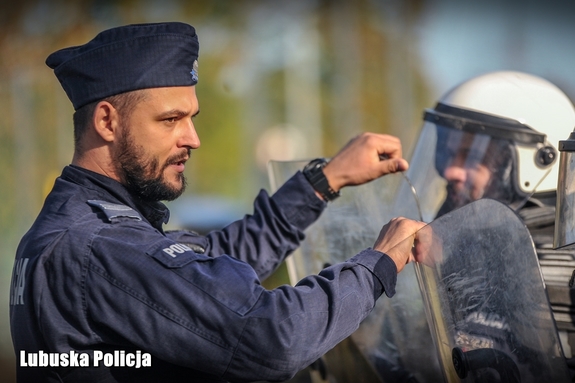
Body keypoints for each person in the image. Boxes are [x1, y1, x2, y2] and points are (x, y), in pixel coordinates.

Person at [9, 22, 425, 383]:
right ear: (106, 121)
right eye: (170, 120)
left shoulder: (78, 224)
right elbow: (270, 336)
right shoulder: (102, 245)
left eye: (192, 118)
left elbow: (205, 274)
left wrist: (321, 182)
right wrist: (379, 263)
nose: (192, 138)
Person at [405, 70, 575, 366]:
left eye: (472, 156)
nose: (450, 171)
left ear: (538, 162)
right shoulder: (461, 246)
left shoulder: (561, 265)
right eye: (448, 153)